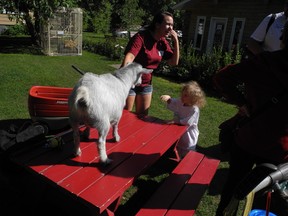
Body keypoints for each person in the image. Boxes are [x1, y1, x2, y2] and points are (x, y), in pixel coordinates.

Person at [213, 21, 288, 216]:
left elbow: (222, 78)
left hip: (249, 138)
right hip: (279, 149)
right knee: (266, 202)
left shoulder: (264, 62)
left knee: (232, 189)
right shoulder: (263, 62)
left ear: (283, 38)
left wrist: (242, 102)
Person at [120, 11, 180, 116]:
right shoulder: (141, 37)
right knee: (123, 116)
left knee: (142, 118)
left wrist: (176, 42)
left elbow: (173, 62)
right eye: (167, 24)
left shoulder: (162, 42)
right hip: (129, 81)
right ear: (157, 25)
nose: (171, 28)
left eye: (172, 25)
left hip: (146, 83)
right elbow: (130, 56)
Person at [160, 81, 206, 159]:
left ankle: (186, 162)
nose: (182, 96)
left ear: (193, 98)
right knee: (177, 145)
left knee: (187, 150)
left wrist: (175, 121)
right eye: (182, 94)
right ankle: (176, 158)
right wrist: (168, 99)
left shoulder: (194, 109)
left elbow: (188, 122)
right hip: (179, 130)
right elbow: (174, 102)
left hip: (188, 133)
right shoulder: (181, 102)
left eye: (185, 95)